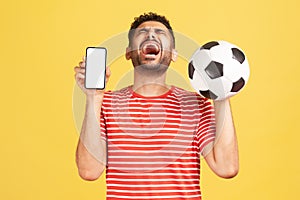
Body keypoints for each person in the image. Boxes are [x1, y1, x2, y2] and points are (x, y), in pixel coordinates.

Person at [74, 12, 239, 200]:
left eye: (160, 32)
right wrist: (93, 97)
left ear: (174, 54)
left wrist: (221, 94)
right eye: (142, 32)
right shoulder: (106, 104)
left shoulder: (196, 105)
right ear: (129, 52)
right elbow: (89, 171)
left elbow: (227, 167)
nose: (151, 35)